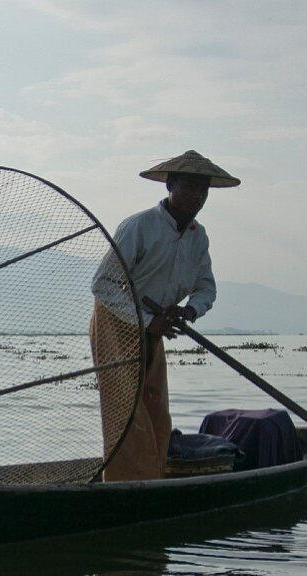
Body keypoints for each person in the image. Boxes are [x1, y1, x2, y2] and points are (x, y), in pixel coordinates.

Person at [90, 150, 240, 481]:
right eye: (188, 187)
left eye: (203, 190)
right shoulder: (139, 226)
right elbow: (103, 284)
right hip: (117, 320)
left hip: (157, 324)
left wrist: (187, 310)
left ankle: (153, 474)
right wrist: (146, 320)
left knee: (155, 407)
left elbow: (206, 289)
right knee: (127, 410)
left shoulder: (198, 237)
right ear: (170, 185)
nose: (197, 196)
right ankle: (125, 481)